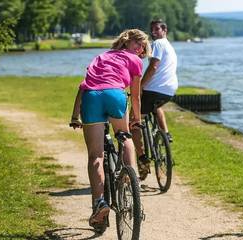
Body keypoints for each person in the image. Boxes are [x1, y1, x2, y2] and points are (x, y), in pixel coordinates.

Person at [69, 29, 151, 230]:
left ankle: (99, 203)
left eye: (143, 47)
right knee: (125, 136)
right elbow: (136, 95)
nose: (140, 49)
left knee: (95, 156)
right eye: (138, 44)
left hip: (92, 98)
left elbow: (84, 86)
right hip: (115, 95)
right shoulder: (135, 60)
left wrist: (74, 116)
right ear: (127, 42)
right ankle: (132, 184)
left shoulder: (101, 56)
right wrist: (136, 119)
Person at [131, 19, 178, 181]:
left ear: (165, 30)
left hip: (154, 89)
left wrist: (141, 86)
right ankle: (165, 134)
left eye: (157, 29)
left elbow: (154, 67)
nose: (154, 32)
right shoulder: (169, 46)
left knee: (134, 120)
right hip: (169, 90)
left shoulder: (158, 44)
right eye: (152, 30)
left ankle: (143, 159)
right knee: (156, 106)